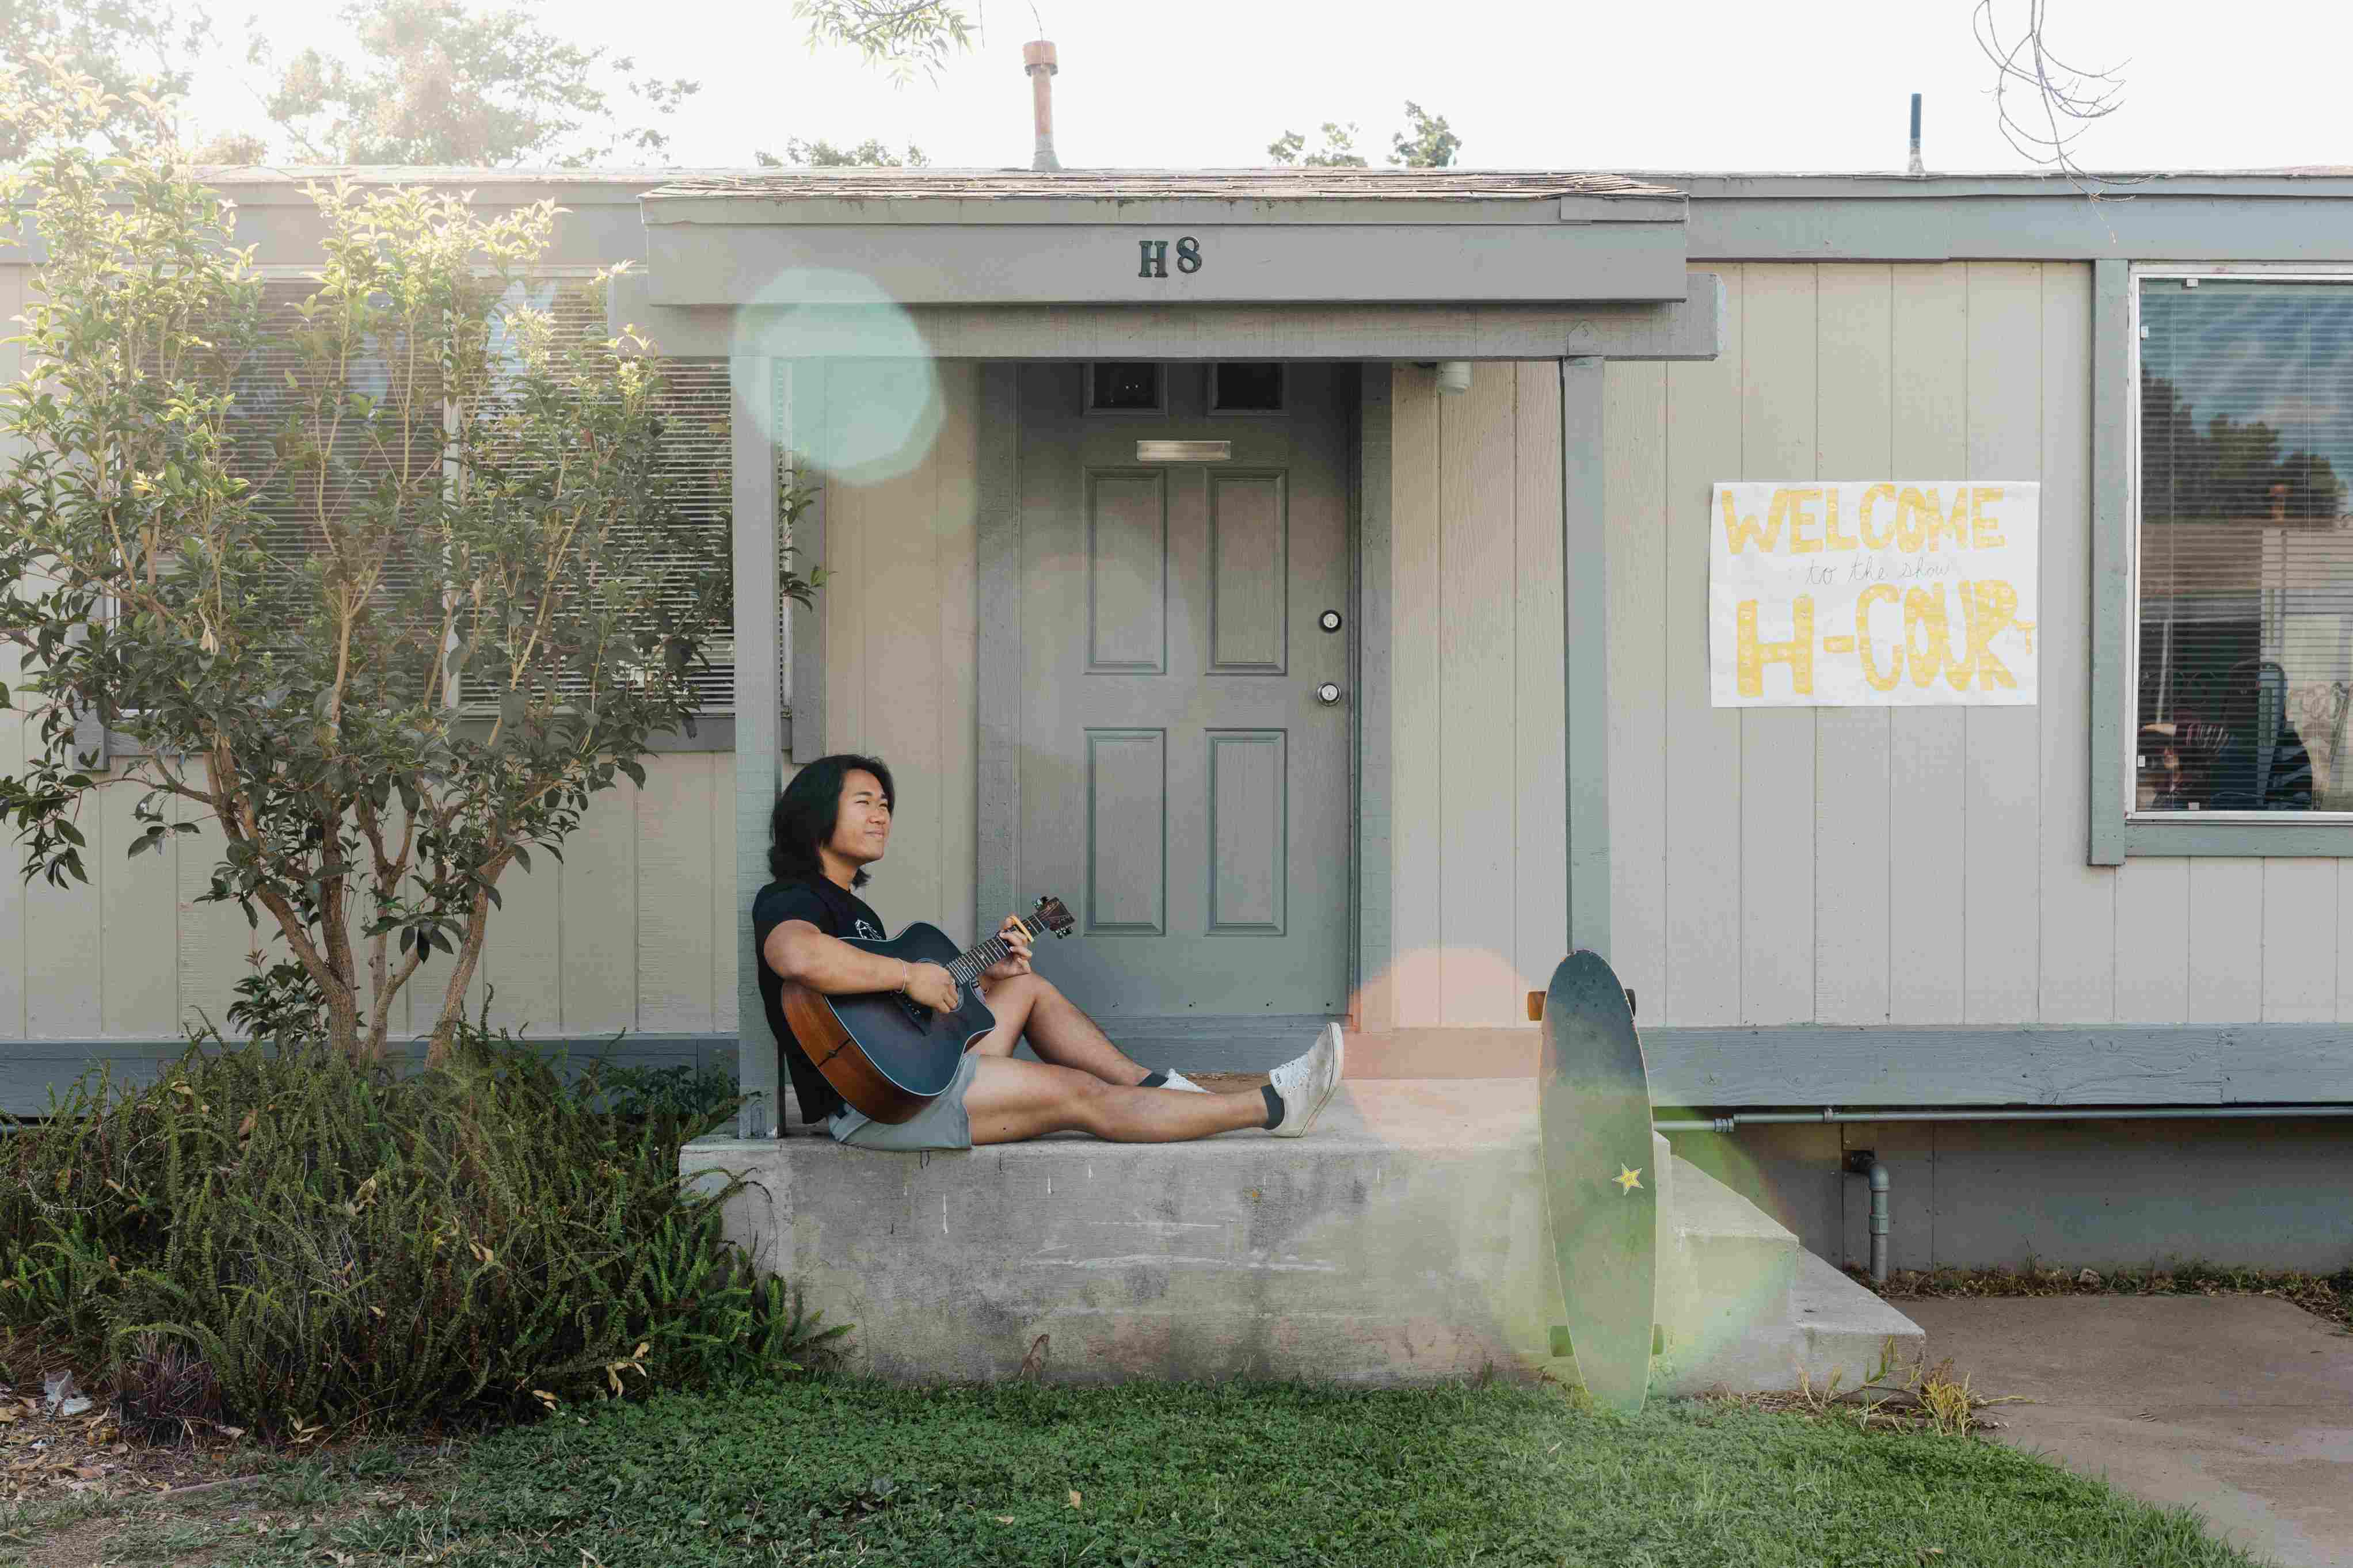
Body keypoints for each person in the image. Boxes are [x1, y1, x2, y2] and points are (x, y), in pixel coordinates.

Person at [753, 753, 1345, 1150]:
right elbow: (796, 958)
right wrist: (910, 974)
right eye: (863, 801)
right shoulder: (790, 898)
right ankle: (1270, 1106)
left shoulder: (858, 914)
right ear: (814, 814)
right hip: (882, 1108)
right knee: (1079, 1095)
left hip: (918, 1075)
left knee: (1022, 985)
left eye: (885, 802)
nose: (881, 813)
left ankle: (1156, 1086)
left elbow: (899, 1024)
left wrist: (981, 982)